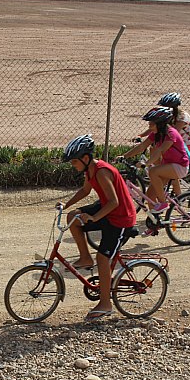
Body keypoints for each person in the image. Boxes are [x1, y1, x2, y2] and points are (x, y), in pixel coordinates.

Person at [58, 134, 137, 322]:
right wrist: (66, 205)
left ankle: (105, 304)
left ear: (85, 158)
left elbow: (113, 202)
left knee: (102, 258)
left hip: (121, 218)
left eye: (74, 161)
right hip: (108, 210)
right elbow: (85, 191)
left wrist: (93, 217)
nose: (72, 165)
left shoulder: (101, 171)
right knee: (73, 218)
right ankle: (85, 258)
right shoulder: (90, 170)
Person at [120, 107, 190, 224]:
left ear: (161, 124)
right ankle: (154, 222)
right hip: (168, 166)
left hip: (180, 166)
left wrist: (146, 163)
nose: (149, 126)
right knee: (150, 195)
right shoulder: (156, 133)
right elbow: (142, 146)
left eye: (152, 124)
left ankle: (163, 203)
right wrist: (124, 156)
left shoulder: (171, 133)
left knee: (153, 171)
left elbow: (160, 150)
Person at [157, 92, 190, 157]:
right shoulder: (168, 115)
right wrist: (141, 135)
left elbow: (174, 133)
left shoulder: (182, 117)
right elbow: (154, 126)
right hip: (176, 144)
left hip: (187, 145)